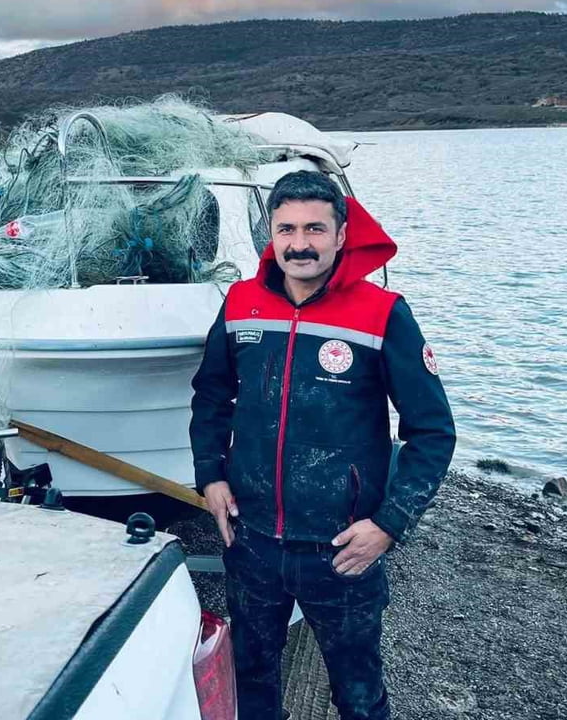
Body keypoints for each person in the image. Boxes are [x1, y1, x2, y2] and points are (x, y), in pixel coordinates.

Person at [189, 170, 456, 720]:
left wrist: (389, 524)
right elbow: (212, 395)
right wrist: (210, 475)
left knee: (358, 694)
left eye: (316, 228)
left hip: (342, 552)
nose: (300, 243)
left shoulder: (383, 314)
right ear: (271, 233)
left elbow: (432, 430)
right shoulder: (240, 303)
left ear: (341, 236)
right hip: (252, 540)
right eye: (286, 229)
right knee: (252, 679)